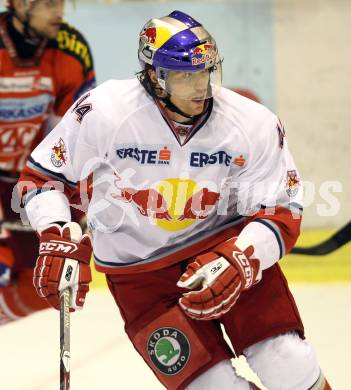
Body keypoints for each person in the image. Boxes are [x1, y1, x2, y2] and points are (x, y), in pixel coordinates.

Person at [17, 10, 330, 390]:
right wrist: (54, 235)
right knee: (212, 387)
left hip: (221, 249)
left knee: (288, 362)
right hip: (141, 276)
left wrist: (244, 257)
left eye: (206, 71)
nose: (200, 85)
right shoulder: (105, 111)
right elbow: (44, 178)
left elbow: (281, 208)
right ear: (154, 76)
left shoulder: (252, 123)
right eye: (185, 75)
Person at [0, 0, 95, 325]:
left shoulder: (72, 49)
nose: (60, 12)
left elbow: (69, 142)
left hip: (28, 181)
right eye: (50, 3)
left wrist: (75, 207)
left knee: (45, 286)